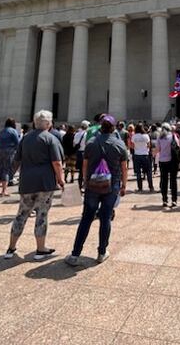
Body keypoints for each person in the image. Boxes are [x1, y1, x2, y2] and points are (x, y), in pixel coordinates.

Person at [66, 114, 128, 266]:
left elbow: (85, 166)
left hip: (93, 185)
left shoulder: (91, 142)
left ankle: (75, 254)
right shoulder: (119, 145)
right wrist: (124, 185)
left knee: (86, 218)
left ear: (100, 126)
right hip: (111, 185)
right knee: (105, 218)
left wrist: (85, 182)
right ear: (114, 128)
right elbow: (124, 168)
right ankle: (101, 252)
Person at [5, 110, 64, 260]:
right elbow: (57, 162)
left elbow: (16, 160)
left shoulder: (25, 138)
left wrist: (10, 176)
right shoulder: (50, 139)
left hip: (27, 182)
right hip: (45, 183)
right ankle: (40, 249)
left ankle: (11, 248)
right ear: (49, 124)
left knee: (21, 214)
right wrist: (61, 179)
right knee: (42, 215)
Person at [0, 118, 21, 197]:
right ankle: (4, 190)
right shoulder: (13, 131)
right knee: (6, 170)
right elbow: (18, 143)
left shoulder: (1, 131)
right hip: (9, 151)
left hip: (0, 151)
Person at [155, 123, 179, 207]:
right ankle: (174, 200)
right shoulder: (173, 136)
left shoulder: (159, 138)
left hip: (163, 161)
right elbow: (178, 146)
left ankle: (164, 200)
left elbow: (157, 149)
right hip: (172, 161)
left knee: (164, 180)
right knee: (173, 180)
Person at [131, 124, 154, 192]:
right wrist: (145, 149)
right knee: (148, 172)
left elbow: (131, 145)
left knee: (138, 172)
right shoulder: (146, 135)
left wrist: (136, 148)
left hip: (137, 154)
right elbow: (149, 145)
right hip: (145, 154)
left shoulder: (134, 136)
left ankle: (140, 188)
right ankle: (151, 187)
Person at [73, 121, 89, 189]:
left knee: (80, 171)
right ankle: (84, 185)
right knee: (85, 170)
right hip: (84, 152)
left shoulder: (77, 134)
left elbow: (74, 143)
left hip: (78, 153)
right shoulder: (86, 134)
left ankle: (79, 185)